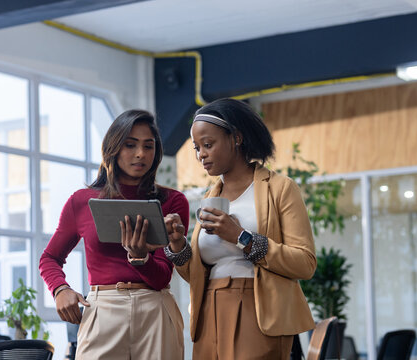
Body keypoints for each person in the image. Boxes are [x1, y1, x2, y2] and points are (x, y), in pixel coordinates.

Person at [164, 98, 317, 359]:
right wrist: (177, 245)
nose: (201, 154)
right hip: (208, 309)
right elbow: (197, 275)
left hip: (260, 311)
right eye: (197, 148)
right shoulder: (210, 197)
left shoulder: (280, 188)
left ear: (236, 138)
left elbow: (305, 263)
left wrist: (242, 237)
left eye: (208, 144)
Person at [39, 109, 188, 360]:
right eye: (130, 145)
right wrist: (60, 289)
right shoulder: (81, 201)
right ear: (113, 148)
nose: (140, 154)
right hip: (102, 311)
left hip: (155, 310)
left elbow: (162, 277)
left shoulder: (172, 201)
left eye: (148, 146)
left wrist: (141, 259)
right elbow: (49, 258)